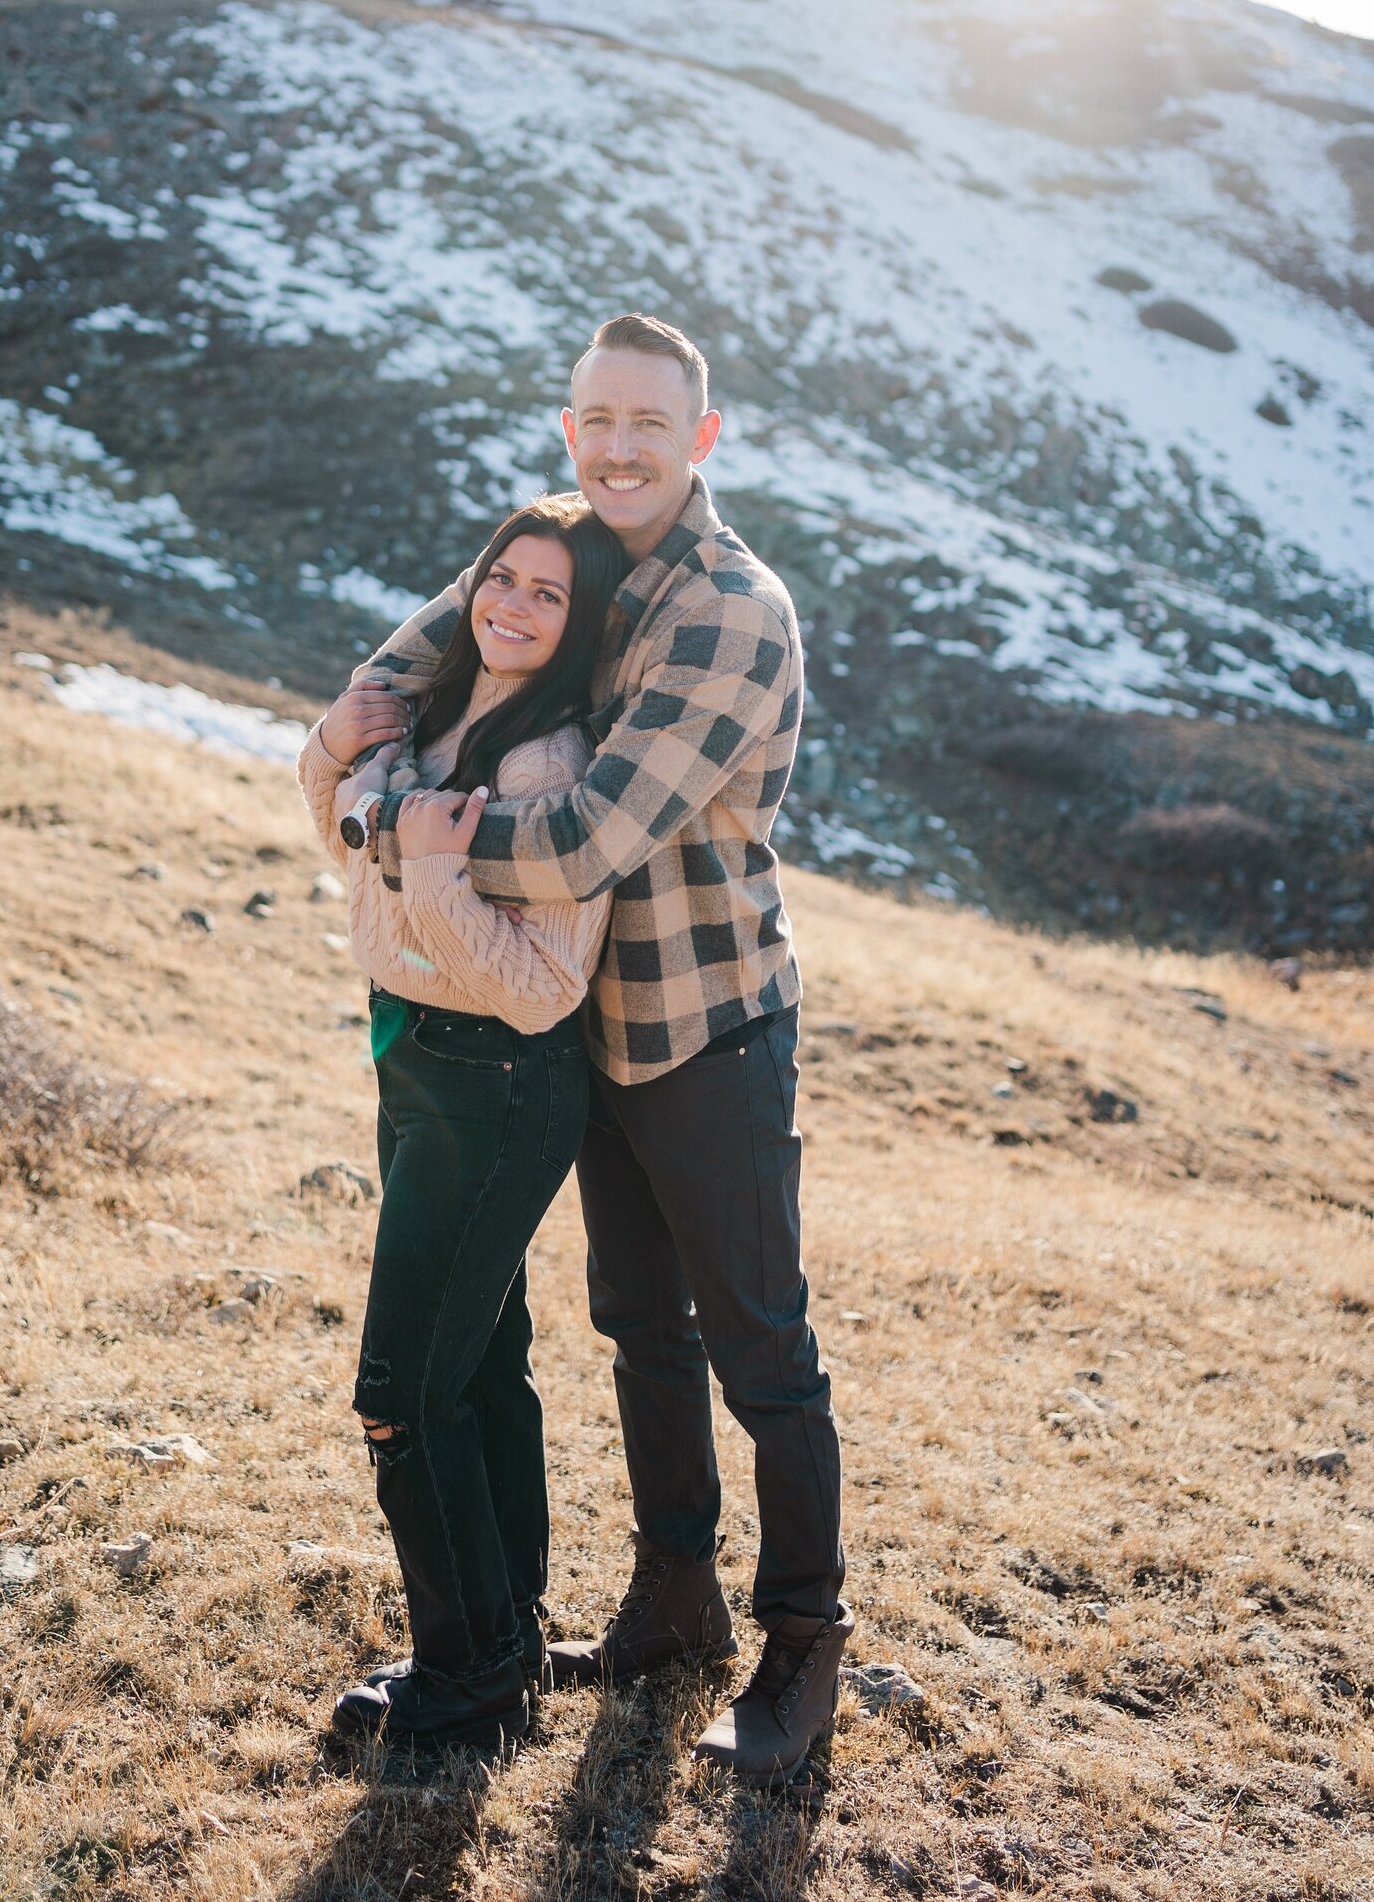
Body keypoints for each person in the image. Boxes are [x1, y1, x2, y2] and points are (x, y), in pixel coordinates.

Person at [336, 313, 852, 1788]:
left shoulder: (730, 611)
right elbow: (397, 672)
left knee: (760, 1345)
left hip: (703, 1022)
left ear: (701, 438)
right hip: (569, 1025)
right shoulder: (565, 548)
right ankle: (671, 1600)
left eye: (649, 423)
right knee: (637, 1323)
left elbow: (582, 836)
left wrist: (411, 828)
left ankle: (804, 1639)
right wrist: (367, 762)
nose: (618, 446)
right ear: (572, 430)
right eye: (595, 420)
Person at [298, 493, 628, 1758]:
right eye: (505, 578)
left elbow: (544, 987)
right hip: (418, 1065)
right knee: (479, 1367)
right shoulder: (442, 708)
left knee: (401, 1391)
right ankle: (505, 1634)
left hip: (497, 1082)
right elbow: (345, 838)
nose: (515, 608)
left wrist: (432, 867)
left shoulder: (554, 762)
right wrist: (337, 747)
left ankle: (468, 1680)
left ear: (582, 617)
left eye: (551, 595)